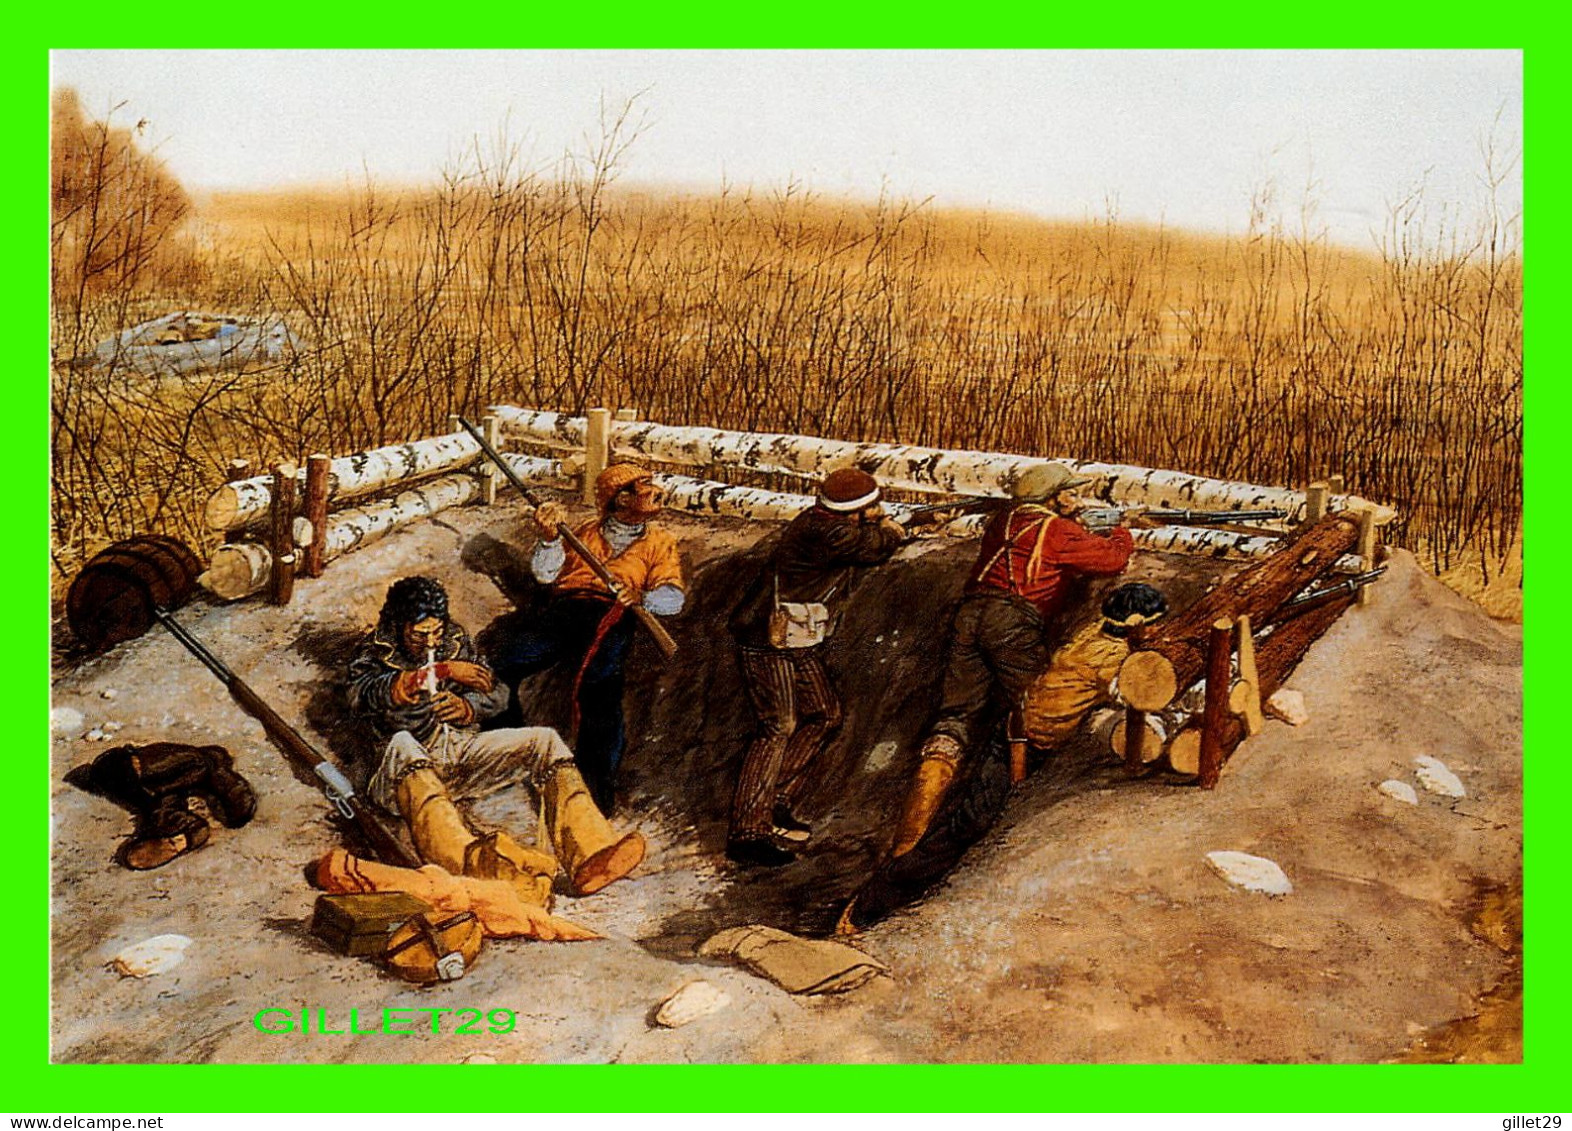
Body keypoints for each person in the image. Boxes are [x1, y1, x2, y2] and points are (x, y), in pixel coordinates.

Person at [838, 582, 1170, 934]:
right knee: (965, 827)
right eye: (1155, 623)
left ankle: (884, 897)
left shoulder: (1096, 633)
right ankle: (869, 908)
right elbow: (1133, 693)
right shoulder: (1108, 658)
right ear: (1134, 624)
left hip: (1016, 733)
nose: (1160, 629)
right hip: (1020, 743)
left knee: (960, 822)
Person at [890, 462, 1144, 856]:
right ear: (1053, 497)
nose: (1076, 501)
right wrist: (1123, 532)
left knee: (953, 720)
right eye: (1070, 494)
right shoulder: (1057, 529)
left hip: (970, 615)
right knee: (1034, 710)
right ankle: (1012, 815)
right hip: (1013, 621)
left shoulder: (1003, 522)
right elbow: (1111, 561)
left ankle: (907, 840)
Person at [348, 576, 646, 913]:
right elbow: (366, 695)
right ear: (396, 625)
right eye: (419, 635)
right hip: (403, 770)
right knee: (403, 743)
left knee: (545, 741)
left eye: (435, 632)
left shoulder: (455, 640)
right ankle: (468, 864)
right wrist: (443, 670)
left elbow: (497, 691)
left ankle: (590, 852)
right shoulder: (373, 652)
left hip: (456, 748)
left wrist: (469, 707)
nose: (430, 641)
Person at [724, 467, 909, 867]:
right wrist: (893, 530)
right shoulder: (829, 532)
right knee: (778, 726)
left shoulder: (824, 523)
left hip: (797, 635)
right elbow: (872, 548)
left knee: (825, 714)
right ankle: (748, 831)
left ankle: (774, 798)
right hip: (768, 636)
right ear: (857, 509)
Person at [488, 463, 685, 815]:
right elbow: (546, 574)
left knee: (599, 688)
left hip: (614, 615)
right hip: (565, 612)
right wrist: (549, 539)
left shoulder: (661, 543)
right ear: (620, 501)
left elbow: (672, 598)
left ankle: (594, 798)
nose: (656, 492)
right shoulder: (582, 532)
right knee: (505, 664)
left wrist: (641, 599)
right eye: (645, 487)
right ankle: (510, 755)